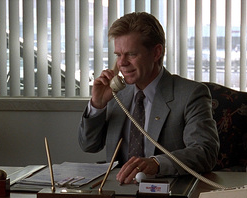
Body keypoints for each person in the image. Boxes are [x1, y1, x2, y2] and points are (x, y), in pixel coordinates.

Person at [78, 12, 219, 184]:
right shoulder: (115, 93)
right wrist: (97, 105)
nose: (122, 63)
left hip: (167, 193)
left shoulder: (191, 94)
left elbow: (205, 151)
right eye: (118, 55)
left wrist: (156, 163)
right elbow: (89, 146)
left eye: (131, 54)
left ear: (156, 53)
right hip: (118, 192)